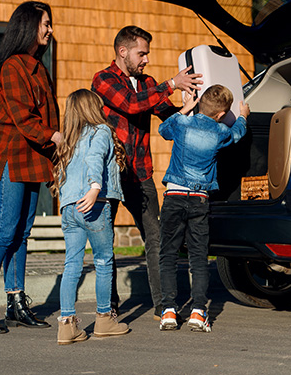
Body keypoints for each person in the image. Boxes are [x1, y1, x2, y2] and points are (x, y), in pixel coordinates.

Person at [91, 25, 203, 319]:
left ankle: (162, 304)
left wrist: (190, 107)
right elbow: (129, 104)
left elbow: (169, 121)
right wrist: (170, 84)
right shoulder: (103, 80)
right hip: (109, 175)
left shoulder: (149, 82)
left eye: (147, 54)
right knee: (106, 242)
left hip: (141, 174)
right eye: (142, 53)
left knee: (156, 238)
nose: (146, 60)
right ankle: (110, 306)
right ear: (123, 51)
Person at [0, 1, 61, 334]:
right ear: (29, 26)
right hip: (11, 157)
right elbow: (24, 118)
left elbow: (46, 118)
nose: (50, 30)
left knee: (22, 233)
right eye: (46, 24)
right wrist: (54, 136)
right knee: (4, 231)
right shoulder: (13, 67)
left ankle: (16, 303)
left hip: (34, 159)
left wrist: (53, 149)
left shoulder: (38, 67)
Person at [157, 85, 250, 332]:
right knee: (198, 256)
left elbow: (162, 129)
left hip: (174, 196)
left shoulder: (182, 124)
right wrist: (243, 115)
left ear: (200, 104)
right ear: (220, 115)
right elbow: (237, 134)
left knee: (168, 253)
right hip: (199, 198)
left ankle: (168, 311)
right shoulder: (221, 131)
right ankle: (198, 312)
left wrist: (184, 109)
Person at [51, 89, 130, 344]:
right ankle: (105, 319)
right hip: (94, 204)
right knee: (104, 261)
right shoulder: (101, 131)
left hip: (69, 207)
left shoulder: (69, 139)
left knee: (72, 264)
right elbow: (95, 158)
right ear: (93, 108)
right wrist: (95, 188)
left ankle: (67, 325)